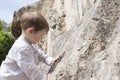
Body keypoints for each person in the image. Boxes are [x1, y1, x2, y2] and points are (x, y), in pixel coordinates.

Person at [0, 11, 59, 80]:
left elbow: (38, 53)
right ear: (31, 31)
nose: (42, 38)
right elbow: (30, 69)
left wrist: (49, 60)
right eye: (41, 35)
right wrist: (43, 78)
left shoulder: (29, 42)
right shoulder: (22, 48)